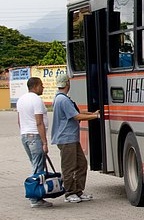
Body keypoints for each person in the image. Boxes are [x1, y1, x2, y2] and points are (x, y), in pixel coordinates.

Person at [51, 73, 100, 203]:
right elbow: (77, 117)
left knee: (82, 164)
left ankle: (78, 191)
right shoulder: (63, 100)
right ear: (67, 83)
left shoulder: (61, 98)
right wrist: (95, 117)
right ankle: (70, 193)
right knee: (69, 167)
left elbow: (77, 112)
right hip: (66, 139)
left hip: (71, 139)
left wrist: (92, 113)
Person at [17, 77, 52, 208]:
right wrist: (44, 142)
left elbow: (19, 121)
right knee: (38, 168)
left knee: (35, 165)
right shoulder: (36, 100)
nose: (43, 88)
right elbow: (39, 122)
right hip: (35, 136)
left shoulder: (21, 99)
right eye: (41, 85)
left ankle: (36, 195)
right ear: (36, 86)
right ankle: (35, 198)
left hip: (25, 135)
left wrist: (24, 133)